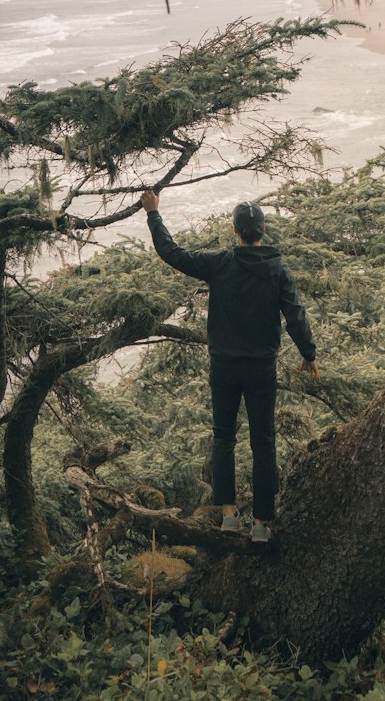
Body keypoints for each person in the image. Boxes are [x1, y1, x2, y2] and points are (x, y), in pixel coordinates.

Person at [139, 190, 319, 543]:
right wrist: (308, 353)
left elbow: (171, 253)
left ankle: (229, 517)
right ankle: (262, 524)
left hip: (223, 367)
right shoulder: (277, 269)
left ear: (235, 231)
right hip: (260, 369)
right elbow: (295, 315)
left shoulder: (220, 264)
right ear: (263, 229)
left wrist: (153, 214)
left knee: (224, 438)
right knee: (263, 443)